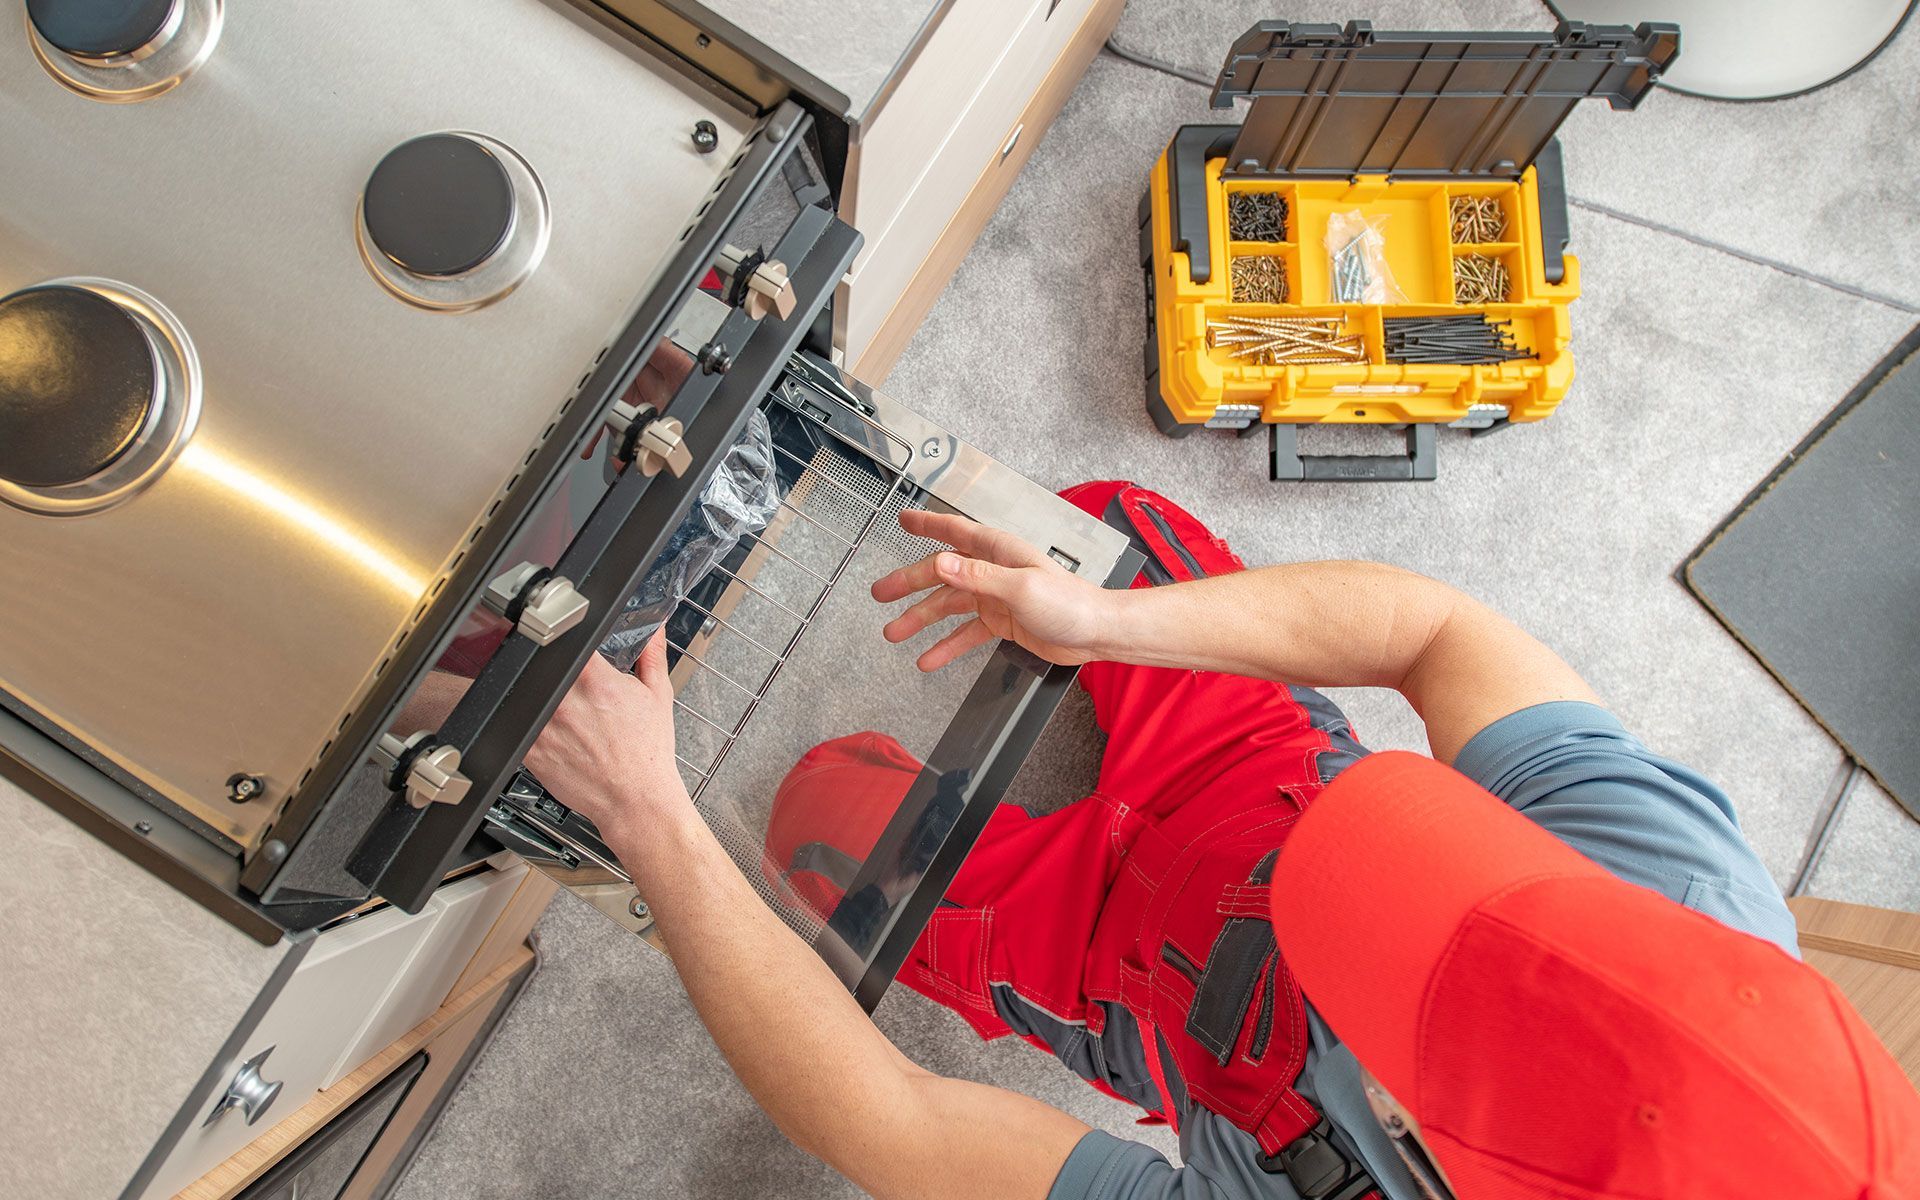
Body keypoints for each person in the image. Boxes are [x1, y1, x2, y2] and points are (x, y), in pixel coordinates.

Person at [527, 481, 1920, 1200]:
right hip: (1273, 786)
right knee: (1089, 530)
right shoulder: (1698, 900)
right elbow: (1433, 634)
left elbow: (896, 1126)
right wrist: (1107, 624)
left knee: (812, 810)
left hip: (1119, 965)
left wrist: (648, 815)